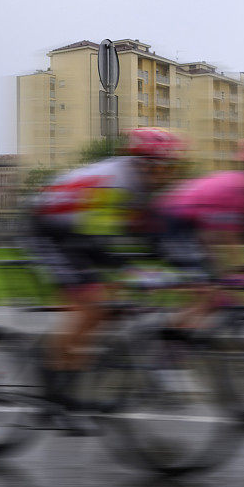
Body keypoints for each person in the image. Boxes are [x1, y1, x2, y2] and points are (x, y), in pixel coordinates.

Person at [27, 128, 182, 430]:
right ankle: (52, 390)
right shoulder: (117, 181)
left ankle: (68, 370)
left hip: (77, 234)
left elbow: (149, 238)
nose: (168, 173)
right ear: (144, 163)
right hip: (49, 229)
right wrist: (134, 270)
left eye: (172, 166)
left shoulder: (141, 185)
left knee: (109, 306)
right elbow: (98, 242)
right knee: (92, 305)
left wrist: (174, 265)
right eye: (164, 166)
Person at [156, 138, 244, 330]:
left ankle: (191, 335)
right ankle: (168, 338)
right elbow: (226, 236)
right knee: (209, 292)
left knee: (224, 290)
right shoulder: (236, 189)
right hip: (173, 220)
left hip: (194, 225)